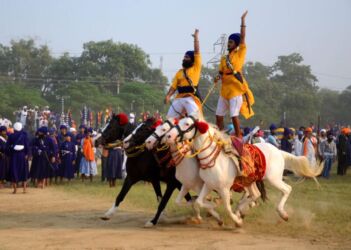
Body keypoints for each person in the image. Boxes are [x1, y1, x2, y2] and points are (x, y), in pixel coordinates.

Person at [215, 11, 254, 137]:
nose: (228, 43)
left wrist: (242, 21)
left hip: (236, 90)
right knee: (218, 116)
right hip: (224, 90)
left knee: (233, 115)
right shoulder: (223, 58)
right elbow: (220, 73)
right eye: (228, 42)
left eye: (231, 42)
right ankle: (220, 136)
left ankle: (239, 137)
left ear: (236, 44)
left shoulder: (240, 53)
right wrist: (217, 77)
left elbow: (242, 37)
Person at [164, 29, 202, 119]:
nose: (184, 58)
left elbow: (197, 52)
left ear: (192, 60)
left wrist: (196, 38)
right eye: (184, 56)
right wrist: (168, 96)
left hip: (190, 98)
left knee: (196, 119)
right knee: (169, 119)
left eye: (187, 57)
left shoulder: (196, 67)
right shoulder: (179, 72)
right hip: (178, 99)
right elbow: (173, 87)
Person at [6, 122, 29, 194]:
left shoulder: (11, 136)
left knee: (14, 170)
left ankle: (15, 189)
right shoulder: (24, 136)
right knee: (23, 170)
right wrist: (27, 154)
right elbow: (27, 146)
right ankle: (24, 189)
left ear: (14, 128)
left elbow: (7, 147)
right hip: (22, 155)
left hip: (14, 155)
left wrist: (9, 154)